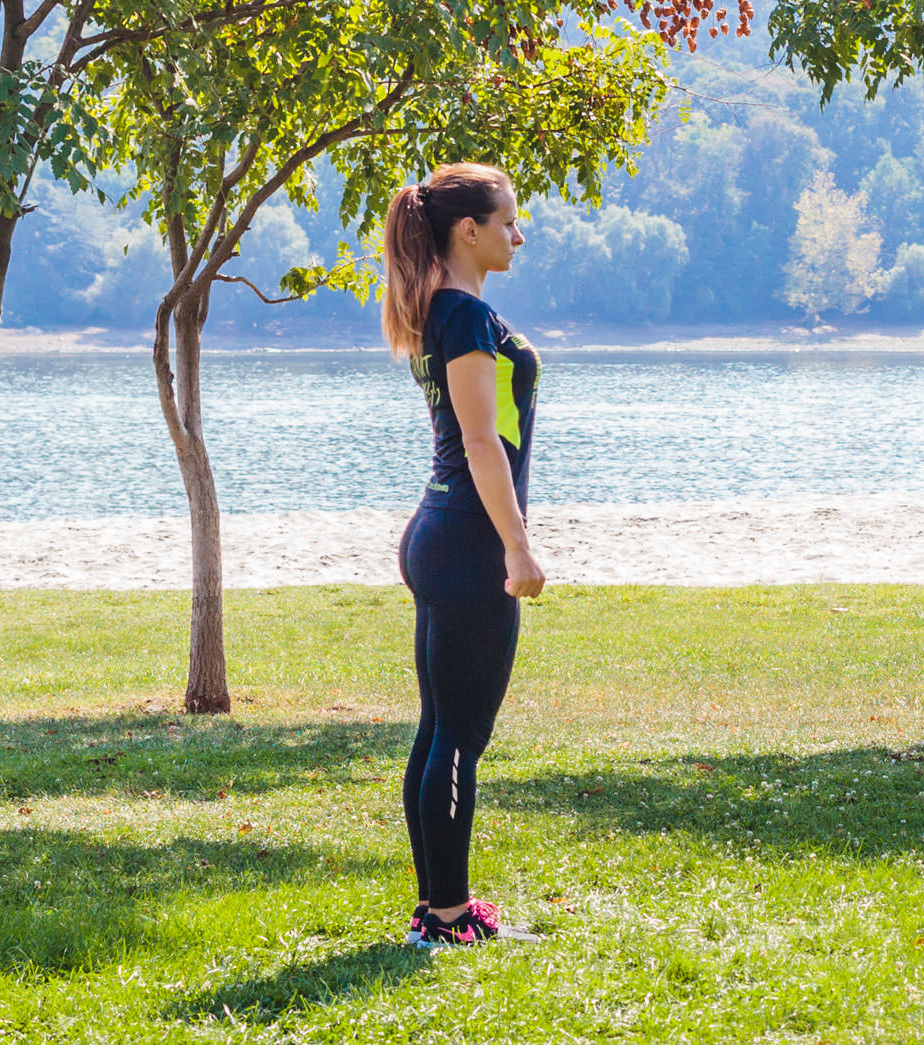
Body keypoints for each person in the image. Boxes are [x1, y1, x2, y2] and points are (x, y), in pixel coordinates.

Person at [382, 162, 544, 947]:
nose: (519, 233)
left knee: (438, 728)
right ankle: (446, 918)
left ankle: (439, 905)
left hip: (440, 531)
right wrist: (518, 547)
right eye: (508, 220)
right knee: (460, 737)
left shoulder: (440, 312)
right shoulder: (468, 320)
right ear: (467, 231)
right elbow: (481, 442)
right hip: (469, 541)